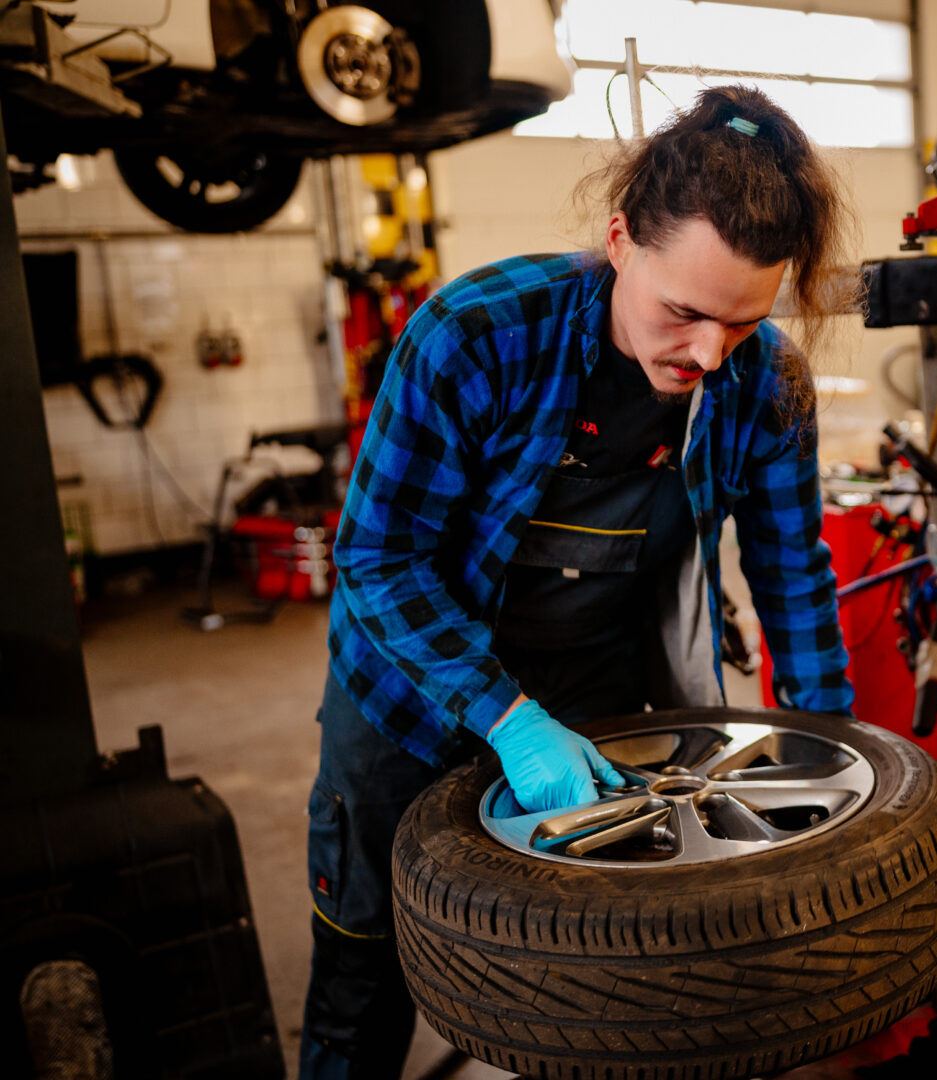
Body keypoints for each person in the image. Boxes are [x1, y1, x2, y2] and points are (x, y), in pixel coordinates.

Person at [298, 85, 857, 1079]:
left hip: (596, 712)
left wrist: (829, 760)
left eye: (741, 323)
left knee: (599, 989)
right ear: (620, 239)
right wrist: (507, 719)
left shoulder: (764, 380)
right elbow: (377, 561)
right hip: (407, 707)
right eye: (683, 313)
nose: (706, 354)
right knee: (365, 981)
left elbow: (792, 571)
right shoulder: (474, 336)